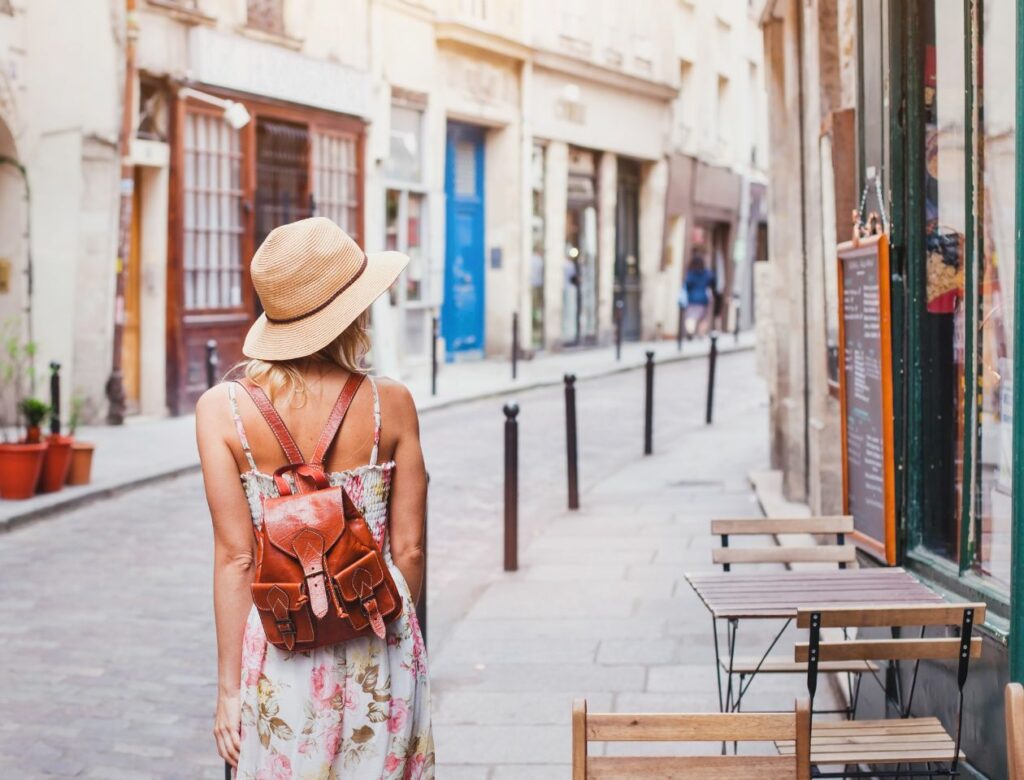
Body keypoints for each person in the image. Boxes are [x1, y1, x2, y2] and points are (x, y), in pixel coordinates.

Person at [196, 217, 434, 779]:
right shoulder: (391, 403)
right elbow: (411, 548)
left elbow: (235, 558)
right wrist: (386, 629)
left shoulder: (221, 410)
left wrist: (229, 691)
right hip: (380, 634)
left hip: (283, 643)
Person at [684, 254, 716, 337]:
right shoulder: (707, 273)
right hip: (703, 299)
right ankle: (701, 334)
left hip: (692, 298)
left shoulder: (690, 273)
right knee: (703, 318)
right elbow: (712, 281)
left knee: (691, 316)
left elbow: (687, 285)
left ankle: (690, 332)